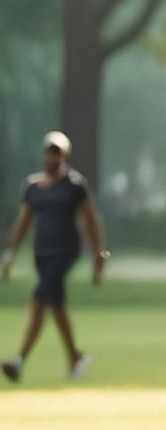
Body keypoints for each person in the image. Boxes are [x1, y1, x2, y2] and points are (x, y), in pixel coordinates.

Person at [1, 131, 108, 381]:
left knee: (39, 301)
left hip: (65, 252)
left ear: (64, 155)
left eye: (57, 153)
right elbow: (24, 221)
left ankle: (19, 359)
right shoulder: (33, 187)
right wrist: (10, 252)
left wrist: (99, 253)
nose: (52, 157)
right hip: (43, 254)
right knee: (55, 305)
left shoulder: (74, 185)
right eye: (49, 152)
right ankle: (76, 357)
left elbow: (91, 220)